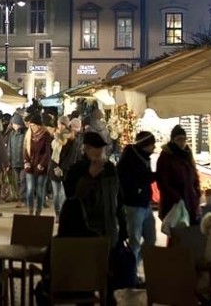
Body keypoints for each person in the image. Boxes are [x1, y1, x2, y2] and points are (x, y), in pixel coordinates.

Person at [64, 131, 129, 303]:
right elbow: (72, 198)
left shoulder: (110, 169)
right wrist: (89, 177)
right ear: (85, 149)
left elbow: (119, 200)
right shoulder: (76, 170)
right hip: (87, 235)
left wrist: (123, 228)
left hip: (111, 234)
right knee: (86, 286)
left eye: (101, 148)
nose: (99, 151)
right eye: (95, 148)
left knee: (110, 284)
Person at [117, 130, 157, 276]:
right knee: (134, 242)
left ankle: (132, 265)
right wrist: (139, 187)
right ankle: (130, 274)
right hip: (133, 206)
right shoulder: (130, 158)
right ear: (145, 145)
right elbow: (128, 181)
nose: (154, 147)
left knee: (151, 239)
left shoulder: (144, 157)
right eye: (152, 144)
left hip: (145, 205)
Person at [156, 124, 201, 225]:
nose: (182, 142)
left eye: (184, 139)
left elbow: (194, 175)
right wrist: (177, 198)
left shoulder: (187, 154)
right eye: (179, 139)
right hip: (173, 203)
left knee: (189, 232)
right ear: (173, 140)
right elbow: (163, 182)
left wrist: (197, 193)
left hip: (190, 200)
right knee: (177, 232)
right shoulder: (166, 156)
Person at [48, 115, 80, 220]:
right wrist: (55, 166)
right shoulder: (55, 137)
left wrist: (61, 168)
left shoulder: (71, 139)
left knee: (63, 194)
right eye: (59, 124)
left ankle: (63, 214)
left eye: (63, 124)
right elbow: (51, 153)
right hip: (54, 168)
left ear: (67, 125)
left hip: (65, 170)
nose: (60, 127)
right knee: (56, 195)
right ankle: (57, 214)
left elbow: (71, 157)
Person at [23, 113, 52, 216]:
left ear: (39, 125)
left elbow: (47, 152)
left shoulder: (46, 135)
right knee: (30, 189)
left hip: (41, 167)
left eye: (34, 125)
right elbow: (25, 150)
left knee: (40, 190)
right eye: (30, 125)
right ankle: (30, 209)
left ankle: (38, 211)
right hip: (30, 166)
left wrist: (41, 165)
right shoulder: (28, 134)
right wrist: (26, 162)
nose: (32, 127)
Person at [6, 112, 28, 207]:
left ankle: (23, 200)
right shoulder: (12, 134)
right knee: (17, 181)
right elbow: (9, 148)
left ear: (18, 123)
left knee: (23, 180)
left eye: (14, 123)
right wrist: (8, 161)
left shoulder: (26, 133)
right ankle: (20, 198)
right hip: (14, 162)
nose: (13, 125)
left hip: (24, 162)